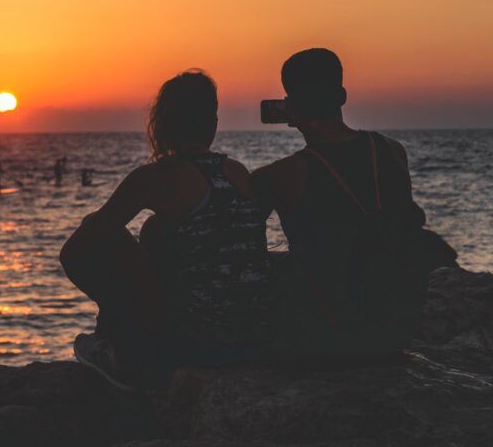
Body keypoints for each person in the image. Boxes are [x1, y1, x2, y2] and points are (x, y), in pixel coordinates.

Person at [60, 70, 273, 390]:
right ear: (212, 122)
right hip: (255, 339)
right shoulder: (238, 173)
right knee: (157, 230)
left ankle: (126, 351)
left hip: (195, 344)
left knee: (100, 229)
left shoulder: (157, 177)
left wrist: (118, 306)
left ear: (163, 122)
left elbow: (75, 252)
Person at [254, 48, 455, 360]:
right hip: (394, 329)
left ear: (290, 107)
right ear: (343, 96)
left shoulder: (283, 174)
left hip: (328, 337)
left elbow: (241, 244)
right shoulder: (391, 151)